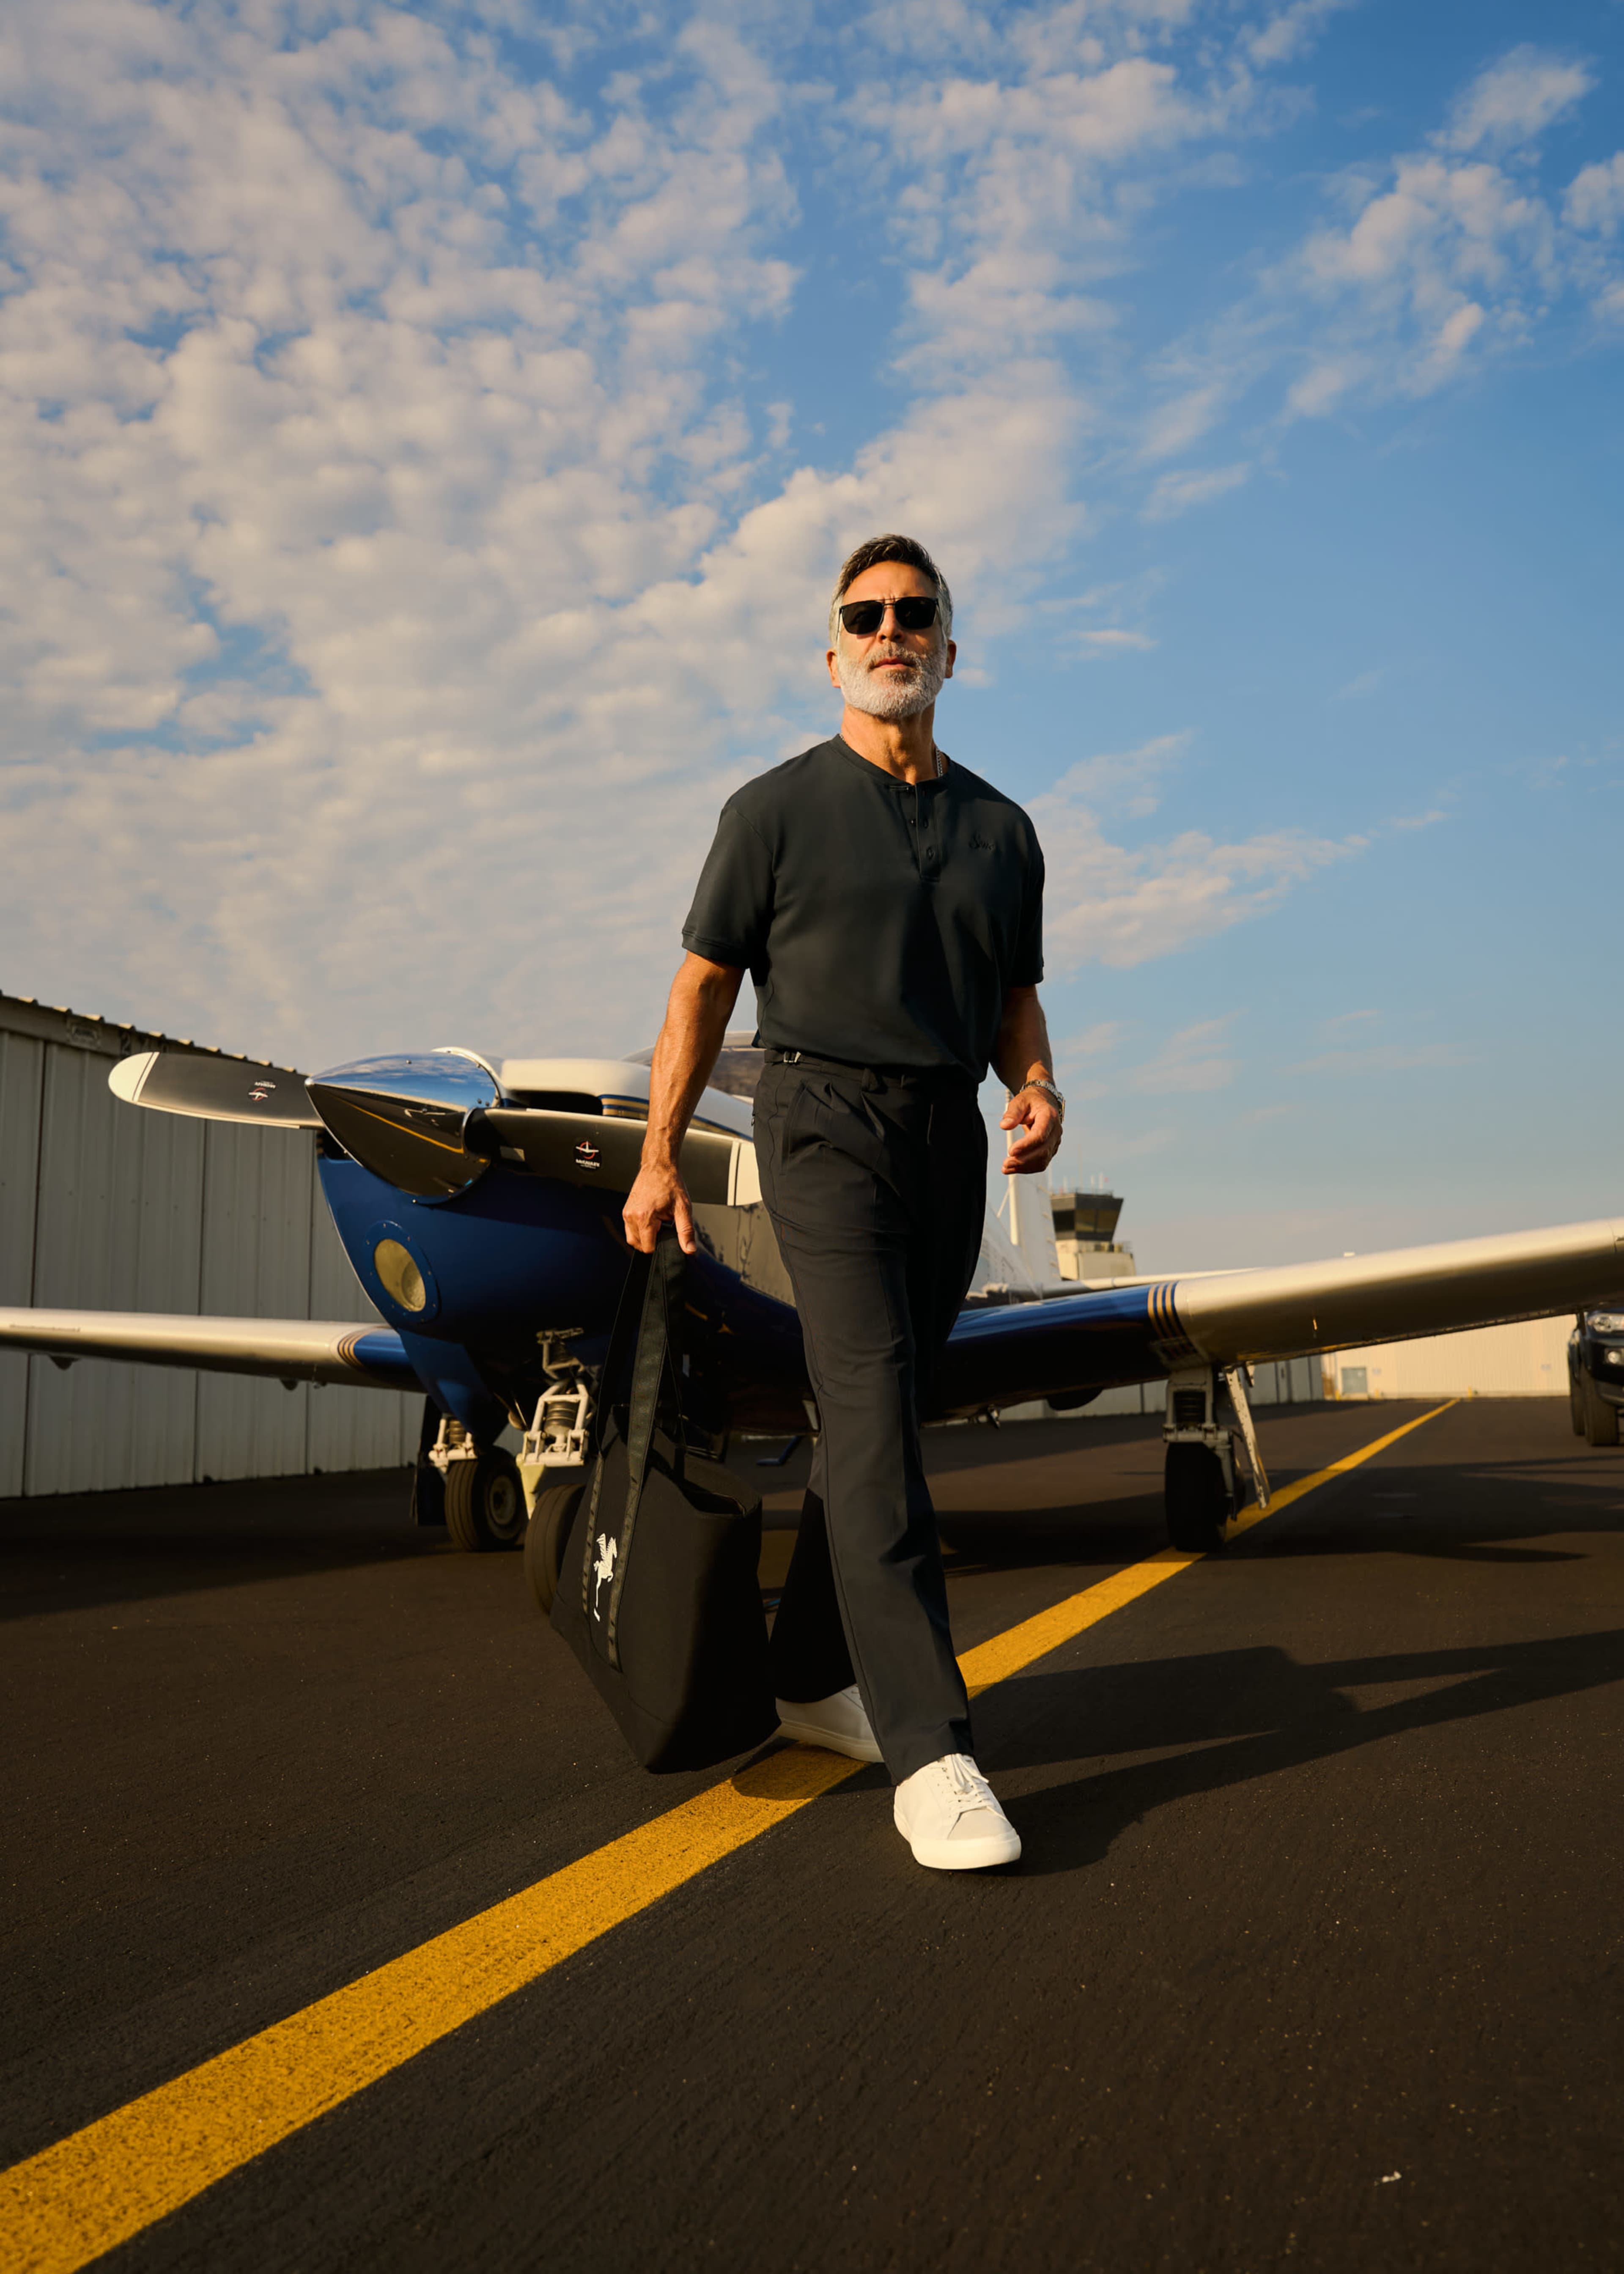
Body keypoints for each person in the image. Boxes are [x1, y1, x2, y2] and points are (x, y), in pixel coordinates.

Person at [622, 534, 1062, 1872]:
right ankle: (933, 1749)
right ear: (833, 653)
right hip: (816, 1121)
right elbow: (700, 991)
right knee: (868, 1406)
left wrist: (1035, 1085)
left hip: (944, 1132)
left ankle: (815, 1677)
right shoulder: (772, 812)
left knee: (883, 1418)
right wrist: (657, 1158)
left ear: (946, 647)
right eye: (863, 616)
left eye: (912, 613)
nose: (889, 631)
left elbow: (1010, 993)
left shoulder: (1004, 831)